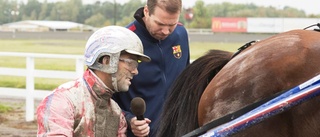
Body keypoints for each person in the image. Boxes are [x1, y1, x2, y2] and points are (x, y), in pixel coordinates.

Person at [36, 26, 151, 137]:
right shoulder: (63, 101)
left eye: (136, 64)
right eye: (130, 63)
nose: (135, 71)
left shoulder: (116, 112)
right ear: (106, 61)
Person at [112, 0, 190, 136]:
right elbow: (104, 97)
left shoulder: (181, 34)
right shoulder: (122, 41)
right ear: (146, 11)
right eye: (159, 24)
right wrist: (129, 120)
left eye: (172, 24)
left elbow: (187, 83)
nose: (166, 31)